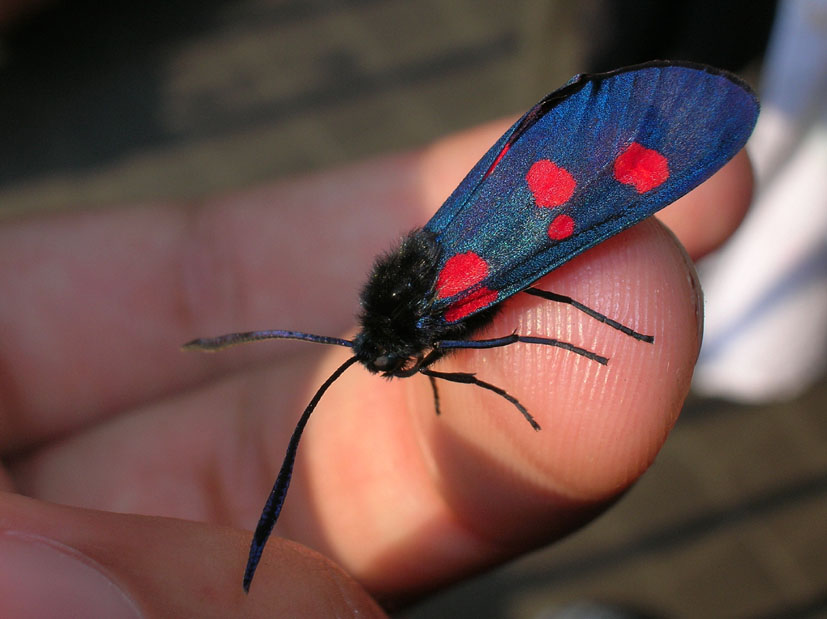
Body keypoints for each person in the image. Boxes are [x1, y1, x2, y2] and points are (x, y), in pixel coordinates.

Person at [0, 122, 753, 616]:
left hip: (534, 217)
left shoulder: (426, 317)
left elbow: (476, 350)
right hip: (505, 200)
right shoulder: (405, 323)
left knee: (550, 276)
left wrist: (561, 344)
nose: (392, 368)